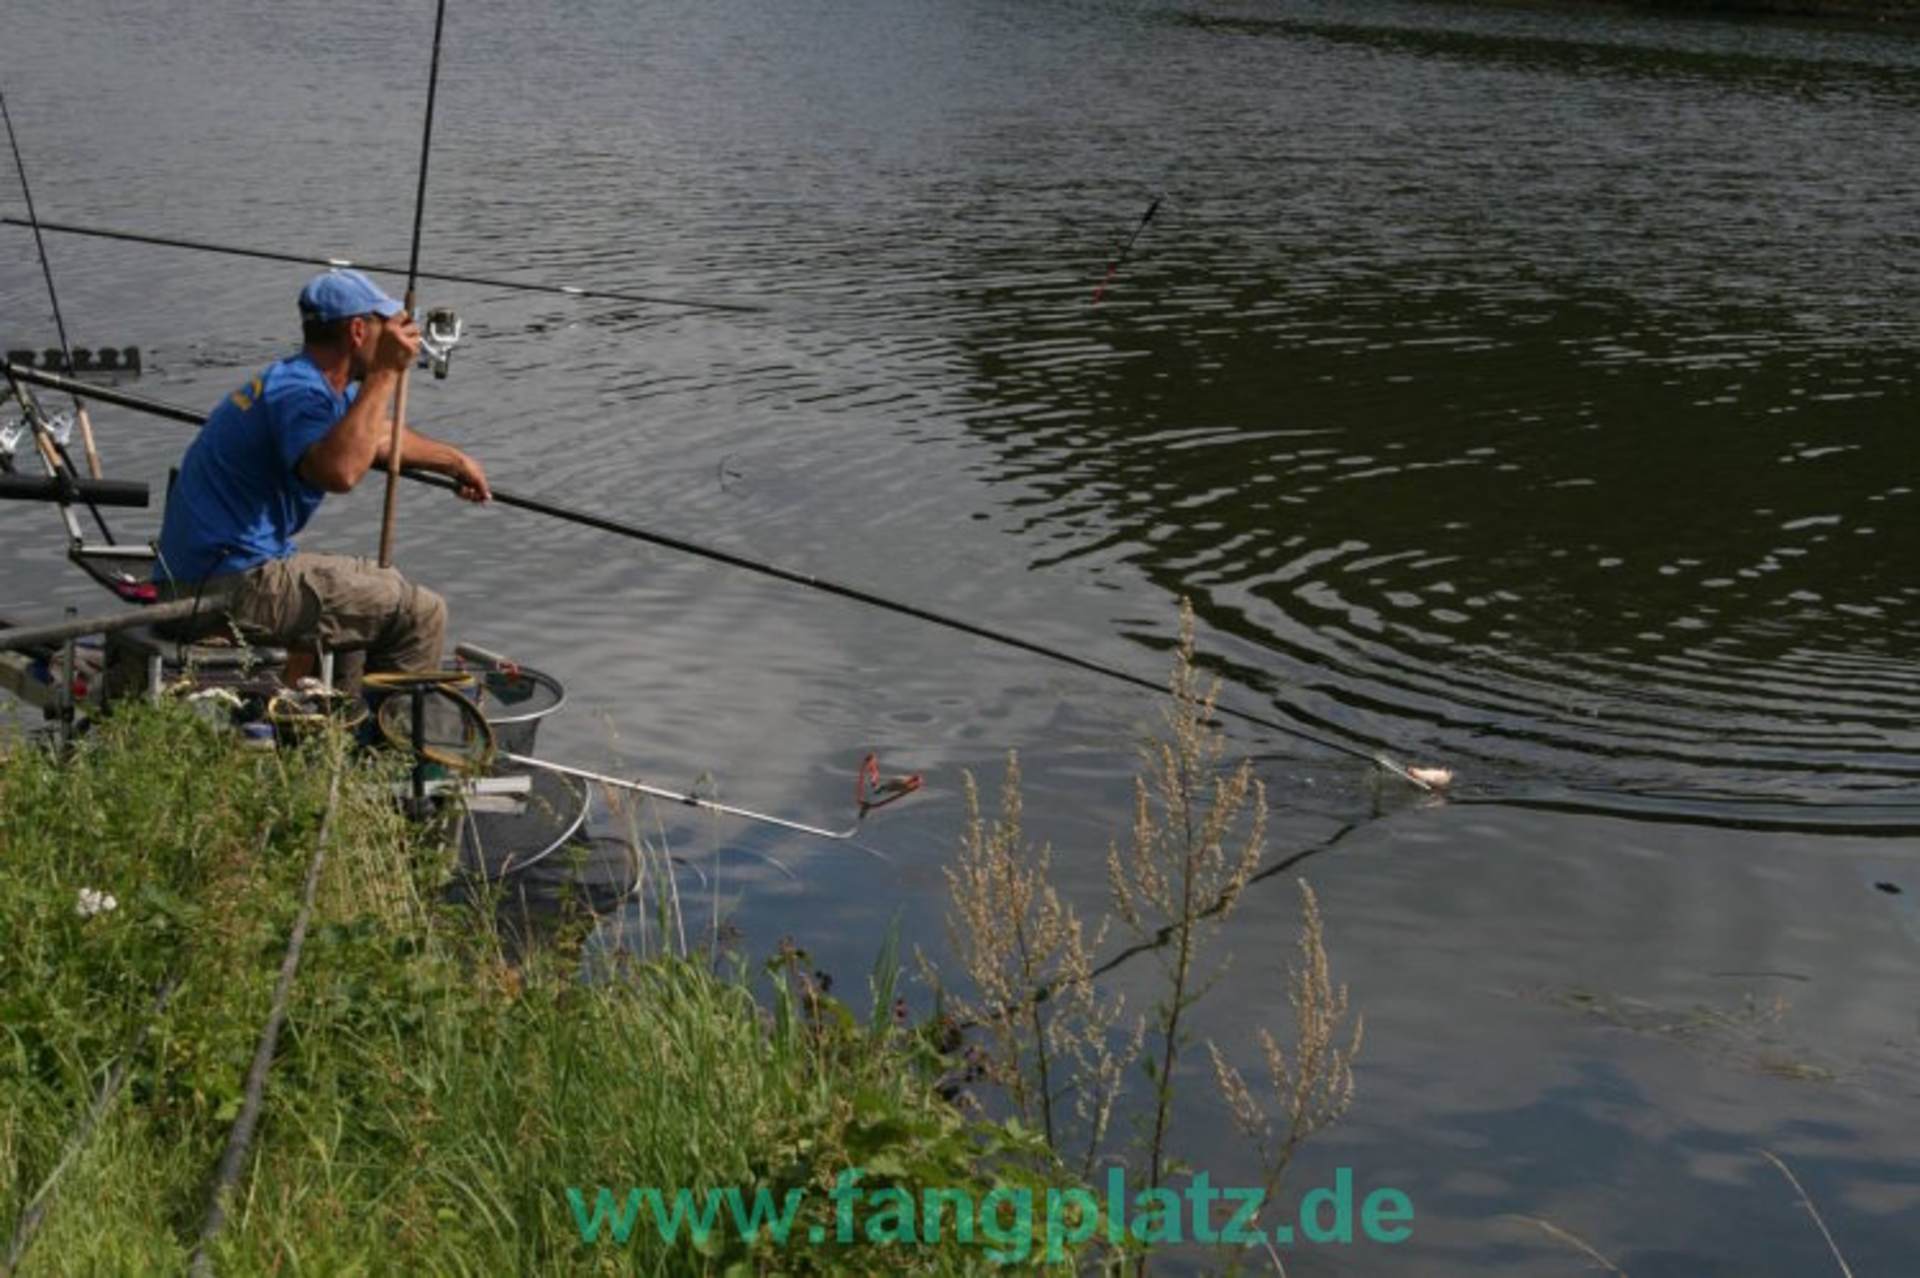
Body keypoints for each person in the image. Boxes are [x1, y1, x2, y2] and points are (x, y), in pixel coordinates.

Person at [154, 268, 489, 683]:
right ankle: (397, 745)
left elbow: (376, 435)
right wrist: (386, 374)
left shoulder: (314, 381)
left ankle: (340, 726)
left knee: (378, 584)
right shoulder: (298, 394)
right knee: (421, 613)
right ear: (357, 332)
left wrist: (455, 461)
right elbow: (341, 470)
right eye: (386, 325)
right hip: (225, 587)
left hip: (216, 575)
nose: (397, 337)